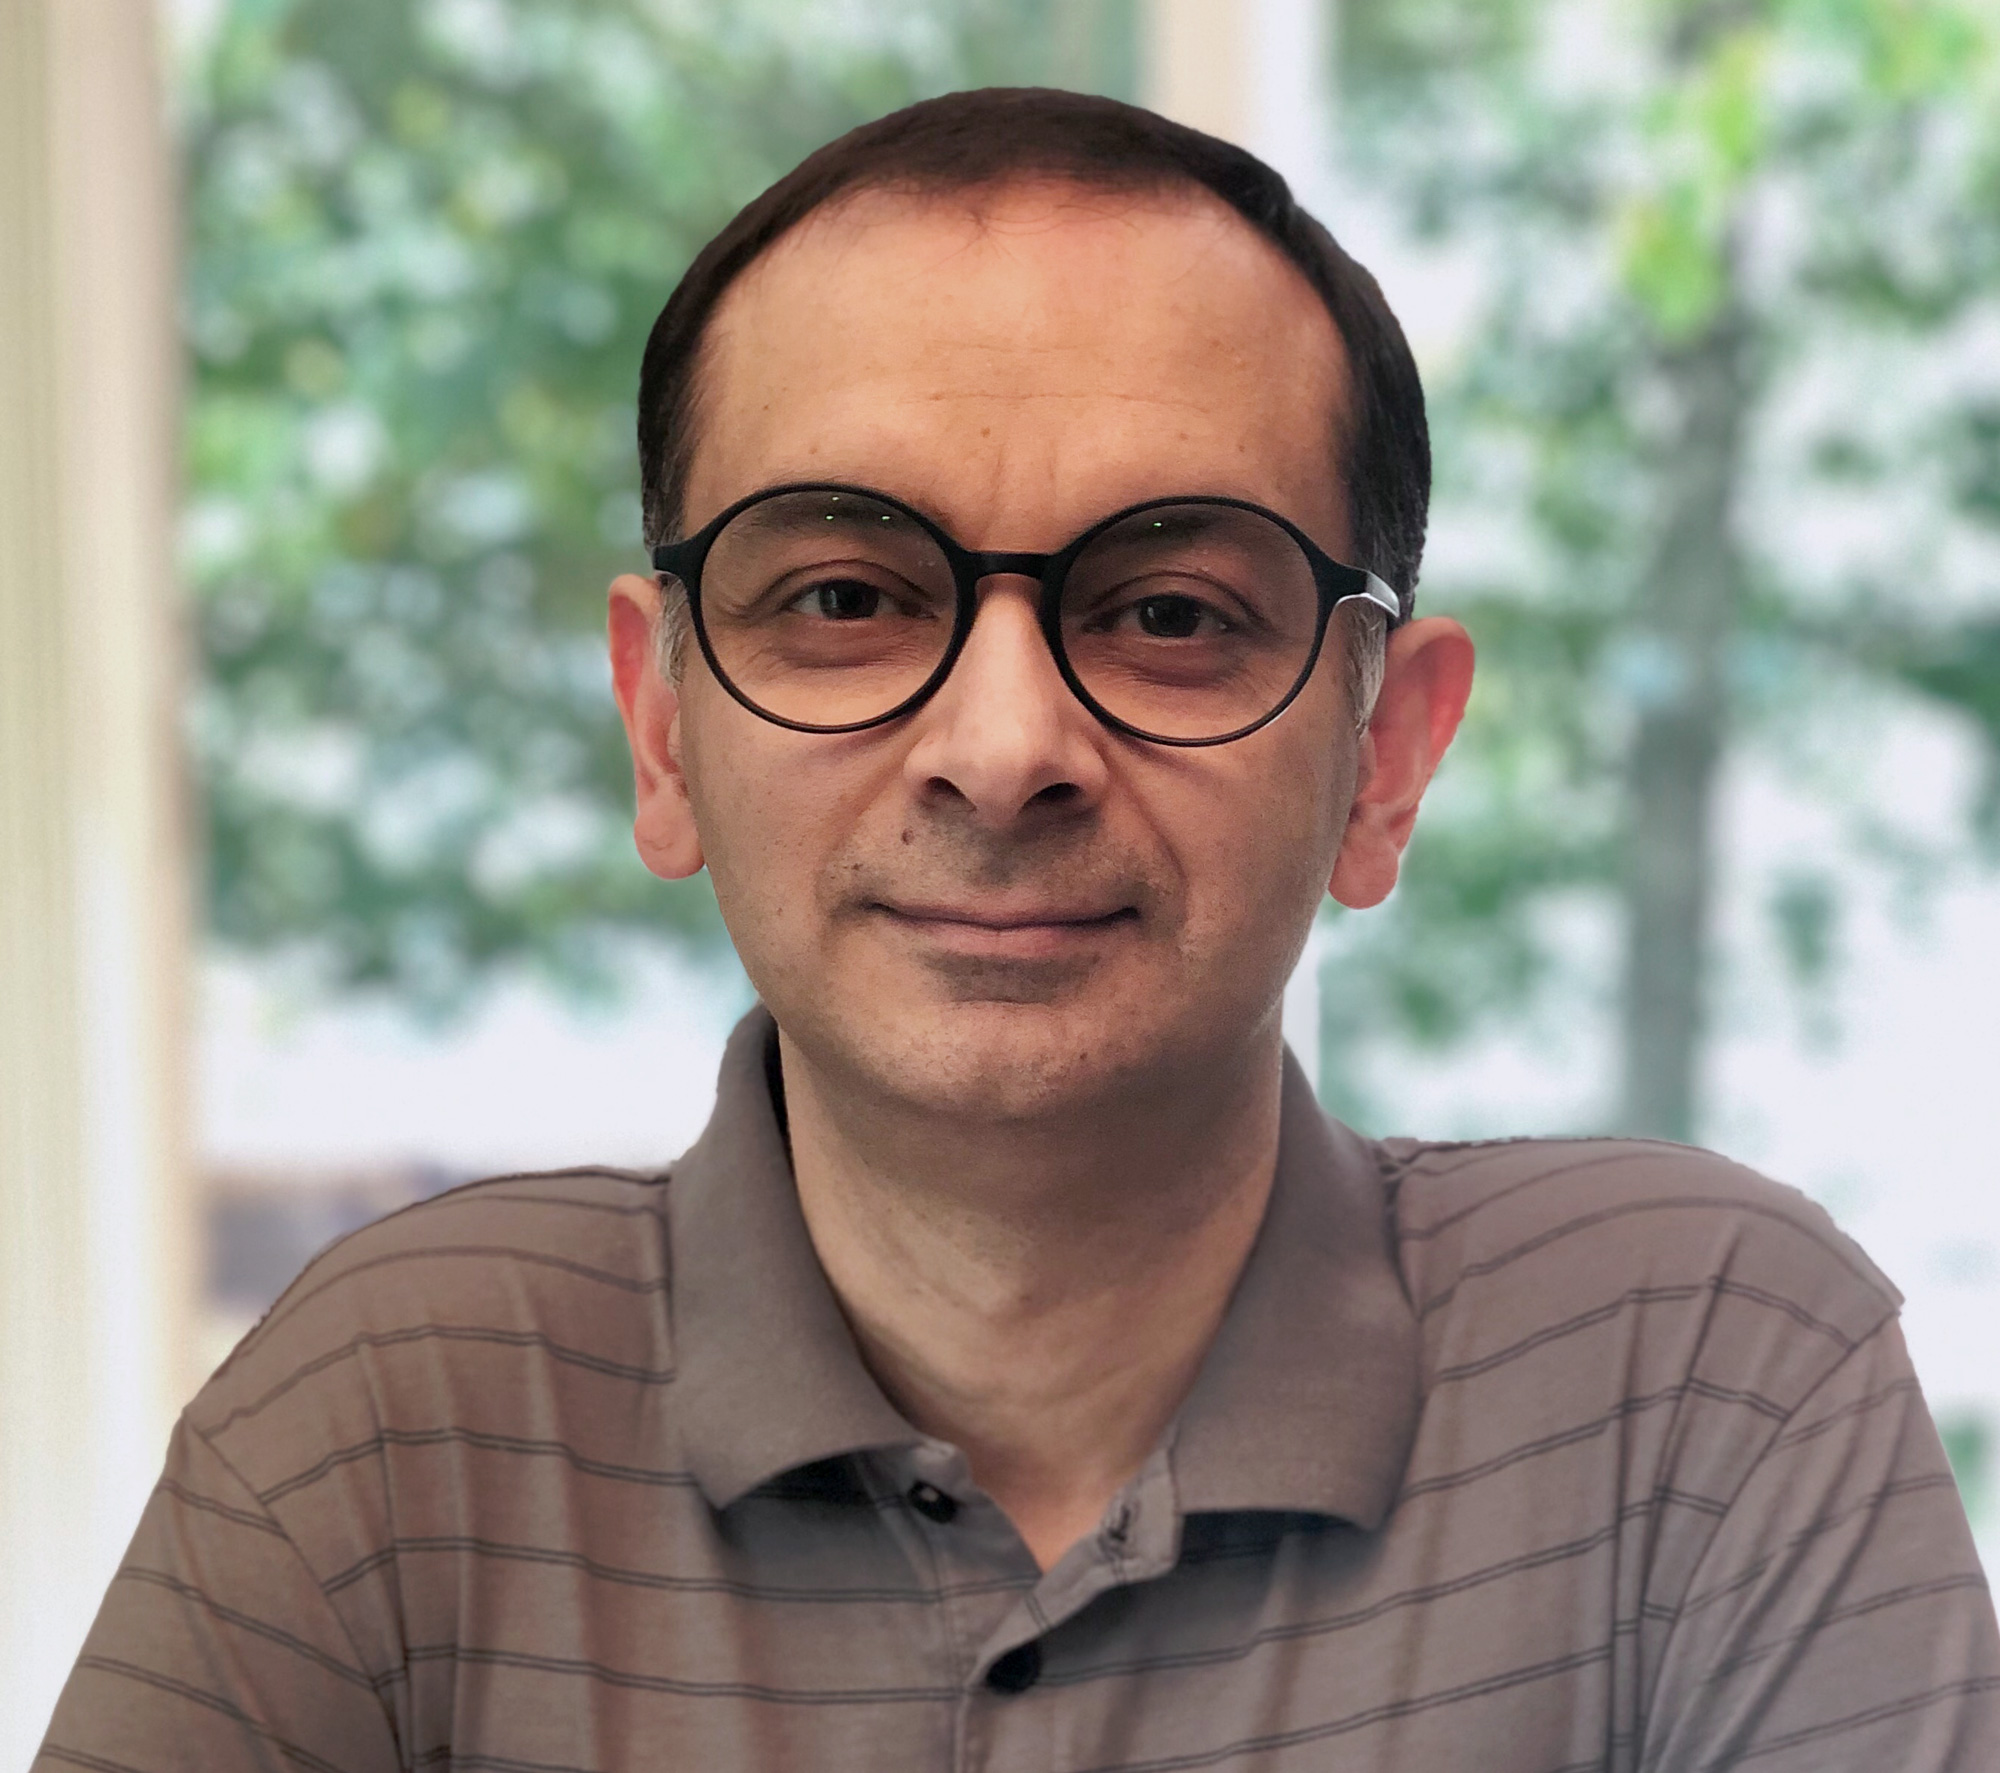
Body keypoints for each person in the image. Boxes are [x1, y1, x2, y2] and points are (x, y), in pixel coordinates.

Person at [36, 88, 1998, 1773]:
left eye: (1168, 613)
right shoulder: (391, 1405)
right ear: (661, 726)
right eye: (840, 597)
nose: (1000, 748)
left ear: (1385, 755)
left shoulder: (1699, 1369)